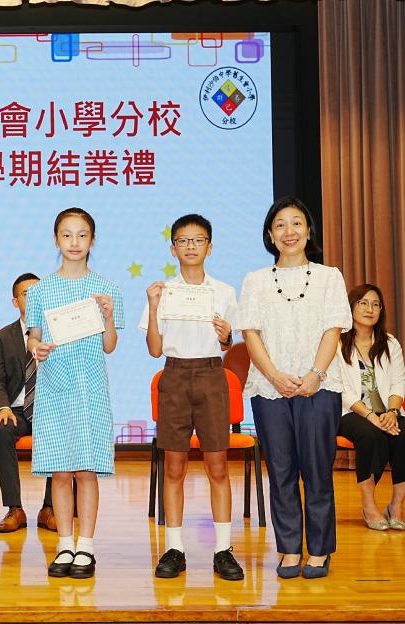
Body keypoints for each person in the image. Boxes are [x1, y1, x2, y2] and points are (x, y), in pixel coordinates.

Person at [234, 196, 351, 579]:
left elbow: (334, 328)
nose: (289, 231)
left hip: (320, 386)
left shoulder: (329, 276)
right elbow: (250, 333)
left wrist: (315, 374)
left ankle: (319, 550)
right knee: (281, 471)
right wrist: (274, 376)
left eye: (296, 223)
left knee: (317, 471)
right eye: (280, 225)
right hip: (270, 388)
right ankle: (288, 549)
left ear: (308, 230)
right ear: (270, 234)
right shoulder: (254, 280)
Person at [139, 214, 244, 581]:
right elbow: (154, 349)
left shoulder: (224, 292)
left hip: (212, 375)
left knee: (218, 466)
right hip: (175, 375)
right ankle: (175, 548)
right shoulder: (162, 291)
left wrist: (227, 334)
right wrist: (153, 307)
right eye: (183, 241)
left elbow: (228, 344)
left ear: (209, 247)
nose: (190, 247)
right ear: (173, 249)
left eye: (198, 240)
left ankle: (223, 549)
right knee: (174, 467)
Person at [26, 207, 124, 579]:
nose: (74, 242)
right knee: (60, 471)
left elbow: (109, 345)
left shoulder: (106, 289)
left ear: (92, 240)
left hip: (89, 388)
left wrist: (108, 316)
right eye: (66, 235)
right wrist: (36, 348)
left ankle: (86, 546)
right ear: (56, 240)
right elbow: (33, 337)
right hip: (54, 388)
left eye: (82, 235)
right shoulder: (40, 290)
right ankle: (64, 544)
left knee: (86, 471)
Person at [0, 272, 57, 533]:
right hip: (16, 409)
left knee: (60, 428)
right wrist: (3, 407)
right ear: (15, 301)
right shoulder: (3, 337)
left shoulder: (58, 331)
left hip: (50, 407)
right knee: (2, 429)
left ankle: (50, 507)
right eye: (27, 294)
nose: (35, 298)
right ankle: (14, 509)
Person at [336, 283, 405, 531]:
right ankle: (368, 505)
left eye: (376, 304)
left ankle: (396, 505)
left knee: (403, 433)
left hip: (387, 411)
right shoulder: (337, 343)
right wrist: (369, 416)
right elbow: (340, 388)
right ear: (351, 307)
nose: (370, 309)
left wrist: (392, 412)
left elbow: (398, 382)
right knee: (370, 433)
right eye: (363, 303)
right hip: (350, 411)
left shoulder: (390, 343)